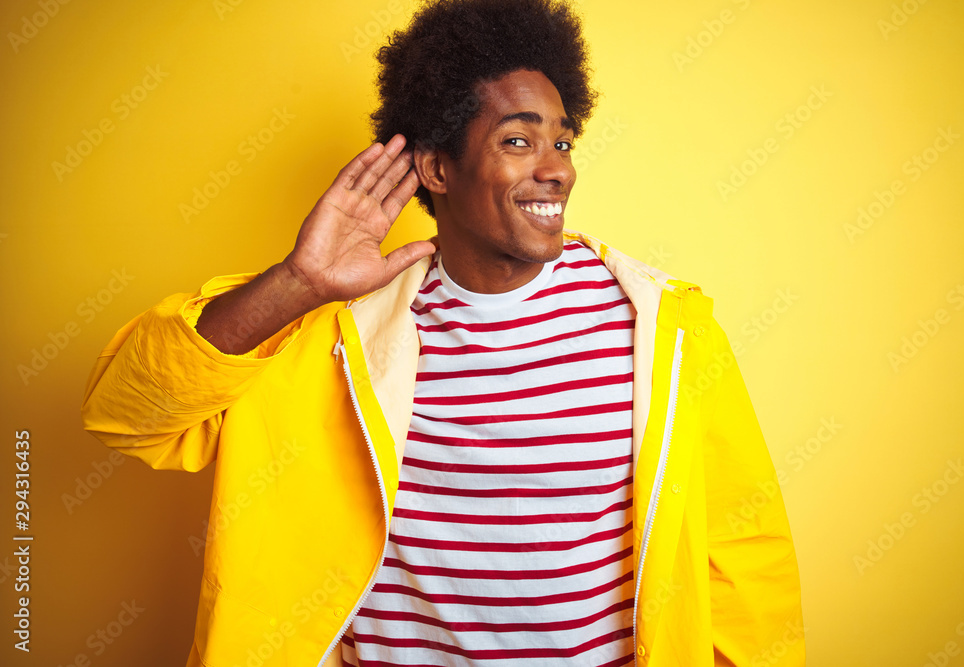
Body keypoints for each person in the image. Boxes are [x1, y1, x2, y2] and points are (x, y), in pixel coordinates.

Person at [81, 0, 804, 665]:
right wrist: (296, 284)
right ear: (436, 168)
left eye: (563, 140)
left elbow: (742, 559)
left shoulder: (666, 331)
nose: (556, 169)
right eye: (519, 140)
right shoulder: (327, 339)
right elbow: (125, 414)